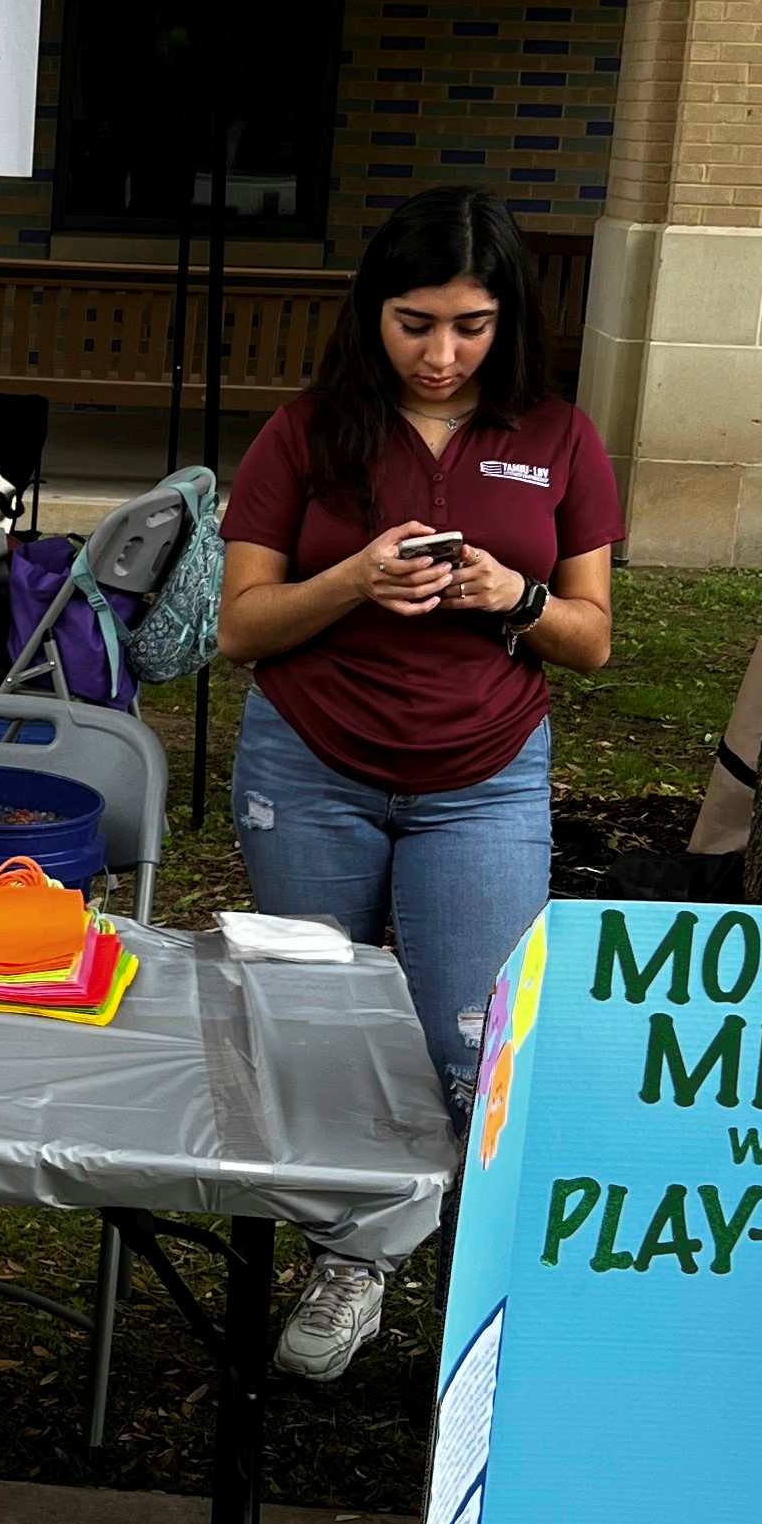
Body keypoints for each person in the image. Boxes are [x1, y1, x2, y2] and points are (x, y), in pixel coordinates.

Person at [217, 185, 617, 1382]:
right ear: (369, 313)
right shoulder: (306, 431)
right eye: (414, 323)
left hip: (483, 778)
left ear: (509, 323)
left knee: (475, 1049)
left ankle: (476, 1301)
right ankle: (353, 1262)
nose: (441, 354)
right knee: (313, 1035)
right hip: (312, 762)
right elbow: (242, 627)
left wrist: (516, 596)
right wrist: (352, 580)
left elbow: (593, 638)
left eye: (471, 325)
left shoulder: (559, 436)